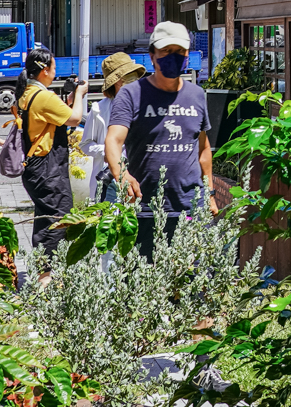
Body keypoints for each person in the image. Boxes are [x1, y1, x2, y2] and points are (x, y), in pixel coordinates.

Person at [105, 22, 217, 259]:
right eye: (166, 51)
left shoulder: (196, 95)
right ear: (152, 56)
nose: (173, 57)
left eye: (180, 52)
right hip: (145, 208)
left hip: (191, 207)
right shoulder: (132, 94)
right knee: (142, 285)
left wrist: (210, 194)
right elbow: (113, 140)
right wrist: (122, 175)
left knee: (193, 282)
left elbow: (203, 149)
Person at [14, 49, 86, 261]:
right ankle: (49, 275)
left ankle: (42, 269)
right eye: (54, 68)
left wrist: (71, 99)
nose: (55, 72)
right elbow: (74, 119)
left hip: (35, 167)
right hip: (48, 169)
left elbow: (55, 118)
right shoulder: (44, 96)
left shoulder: (27, 92)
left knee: (45, 218)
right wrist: (80, 95)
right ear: (45, 70)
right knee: (58, 219)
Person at [83, 52, 146, 204]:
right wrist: (108, 151)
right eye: (125, 78)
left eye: (133, 76)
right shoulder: (99, 110)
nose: (131, 82)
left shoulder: (145, 106)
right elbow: (85, 145)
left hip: (139, 175)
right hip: (110, 179)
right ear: (114, 83)